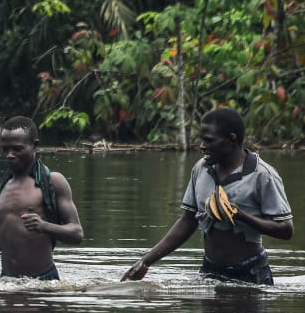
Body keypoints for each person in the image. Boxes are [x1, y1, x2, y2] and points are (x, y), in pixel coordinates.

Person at [121, 108, 293, 285]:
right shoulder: (201, 168)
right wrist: (145, 262)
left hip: (250, 272)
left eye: (208, 140)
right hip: (210, 272)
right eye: (201, 139)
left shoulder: (262, 175)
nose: (202, 146)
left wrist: (241, 216)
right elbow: (188, 221)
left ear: (231, 140)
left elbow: (286, 229)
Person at [0, 116, 83, 280]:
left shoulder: (52, 181)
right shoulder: (4, 186)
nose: (10, 155)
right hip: (6, 280)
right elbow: (7, 239)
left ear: (34, 146)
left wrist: (44, 226)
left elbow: (77, 233)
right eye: (5, 149)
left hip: (42, 282)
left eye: (17, 149)